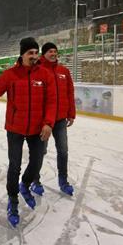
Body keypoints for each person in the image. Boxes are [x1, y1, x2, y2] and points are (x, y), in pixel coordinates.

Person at [0, 37, 57, 228]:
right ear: (22, 55)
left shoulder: (45, 75)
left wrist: (49, 123)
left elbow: (52, 102)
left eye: (36, 52)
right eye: (30, 53)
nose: (34, 56)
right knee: (14, 165)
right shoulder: (10, 75)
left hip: (37, 129)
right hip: (15, 128)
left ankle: (25, 185)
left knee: (37, 162)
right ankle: (13, 201)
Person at [33, 42, 76, 197]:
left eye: (55, 51)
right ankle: (34, 180)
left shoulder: (64, 71)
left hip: (60, 120)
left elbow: (70, 93)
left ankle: (63, 181)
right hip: (43, 121)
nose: (53, 54)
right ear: (43, 54)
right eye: (50, 51)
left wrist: (71, 113)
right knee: (40, 151)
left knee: (63, 151)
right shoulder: (38, 70)